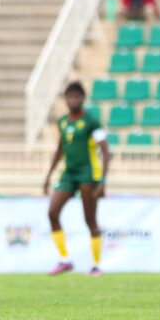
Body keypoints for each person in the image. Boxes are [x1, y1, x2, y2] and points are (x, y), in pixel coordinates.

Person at [42, 82, 110, 277]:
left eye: (76, 97)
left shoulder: (91, 121)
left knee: (90, 220)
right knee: (52, 212)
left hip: (87, 174)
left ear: (82, 98)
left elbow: (105, 151)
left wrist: (103, 180)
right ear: (66, 99)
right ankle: (65, 260)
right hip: (68, 173)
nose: (73, 100)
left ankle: (96, 265)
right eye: (69, 97)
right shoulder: (63, 122)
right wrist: (47, 177)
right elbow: (60, 150)